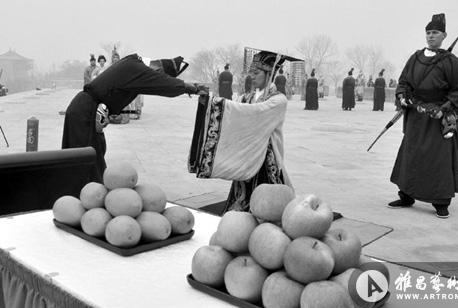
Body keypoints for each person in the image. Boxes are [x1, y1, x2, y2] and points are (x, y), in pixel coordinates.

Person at [62, 53, 205, 182]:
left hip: (86, 111)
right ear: (157, 69)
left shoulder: (134, 64)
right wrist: (189, 87)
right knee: (87, 160)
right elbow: (163, 84)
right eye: (159, 74)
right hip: (84, 112)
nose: (155, 77)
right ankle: (83, 198)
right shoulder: (135, 67)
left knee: (94, 154)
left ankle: (87, 195)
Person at [189, 49, 301, 213]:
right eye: (251, 73)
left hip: (267, 156)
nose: (252, 77)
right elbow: (235, 113)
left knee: (271, 204)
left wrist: (216, 104)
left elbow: (254, 113)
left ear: (269, 73)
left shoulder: (278, 100)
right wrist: (209, 101)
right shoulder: (246, 97)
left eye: (256, 73)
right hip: (247, 155)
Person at [388, 13, 458, 219]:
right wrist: (402, 95)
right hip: (415, 115)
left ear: (444, 35)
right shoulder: (415, 58)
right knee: (411, 155)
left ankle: (440, 202)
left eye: (436, 33)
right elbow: (404, 81)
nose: (431, 36)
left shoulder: (451, 62)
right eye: (428, 33)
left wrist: (445, 109)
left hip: (437, 118)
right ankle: (406, 195)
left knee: (437, 159)